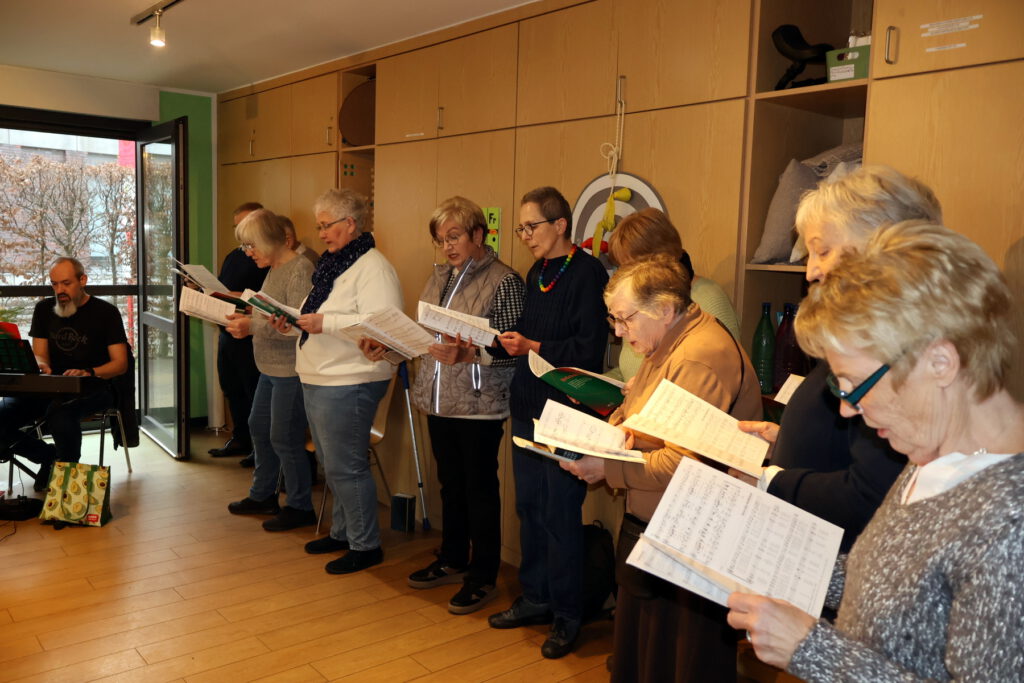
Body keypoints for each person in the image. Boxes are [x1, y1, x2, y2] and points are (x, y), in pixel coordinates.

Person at [728, 220, 1024, 681]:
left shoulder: (1009, 523)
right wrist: (786, 566)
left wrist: (810, 650)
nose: (846, 411)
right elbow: (893, 581)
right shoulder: (931, 453)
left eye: (855, 384)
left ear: (940, 362)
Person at [562, 256, 762, 682]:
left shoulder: (696, 356)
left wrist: (608, 469)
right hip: (660, 524)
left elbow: (681, 464)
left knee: (679, 662)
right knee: (644, 655)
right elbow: (637, 413)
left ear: (666, 309)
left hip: (690, 536)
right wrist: (614, 429)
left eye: (625, 319)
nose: (618, 332)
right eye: (614, 319)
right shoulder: (667, 339)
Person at [737, 166, 943, 551]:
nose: (811, 271)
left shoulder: (895, 348)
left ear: (879, 243)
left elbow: (874, 491)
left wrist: (774, 480)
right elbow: (853, 450)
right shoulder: (865, 336)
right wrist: (785, 443)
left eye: (823, 251)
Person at [360, 196, 524, 614]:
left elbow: (512, 350)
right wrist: (389, 348)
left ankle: (483, 574)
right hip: (437, 400)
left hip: (478, 404)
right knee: (450, 486)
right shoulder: (439, 278)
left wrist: (470, 356)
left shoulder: (505, 281)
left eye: (454, 237)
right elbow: (422, 338)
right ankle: (453, 557)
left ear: (477, 234)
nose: (448, 247)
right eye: (441, 240)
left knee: (480, 490)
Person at [488, 186, 609, 659]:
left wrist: (533, 347)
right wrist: (487, 342)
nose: (525, 236)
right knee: (529, 510)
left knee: (560, 516)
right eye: (520, 228)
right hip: (527, 407)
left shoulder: (588, 274)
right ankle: (535, 597)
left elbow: (588, 352)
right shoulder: (537, 272)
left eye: (531, 226)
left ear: (561, 225)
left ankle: (567, 615)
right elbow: (525, 340)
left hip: (567, 414)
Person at [272, 188, 401, 574]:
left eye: (327, 226)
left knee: (345, 465)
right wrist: (287, 323)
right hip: (321, 376)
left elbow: (383, 324)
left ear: (350, 224)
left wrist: (324, 323)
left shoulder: (373, 266)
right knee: (330, 463)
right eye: (319, 226)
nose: (322, 233)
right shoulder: (334, 265)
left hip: (351, 379)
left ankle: (366, 545)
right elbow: (319, 314)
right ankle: (343, 532)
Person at [0, 257, 128, 490]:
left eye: (66, 283)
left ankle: (65, 485)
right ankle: (48, 457)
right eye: (54, 284)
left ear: (82, 280)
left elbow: (120, 364)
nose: (60, 290)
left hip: (96, 385)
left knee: (59, 413)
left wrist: (89, 371)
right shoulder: (44, 310)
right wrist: (41, 365)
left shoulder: (106, 312)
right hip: (51, 386)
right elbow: (40, 355)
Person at [224, 209, 316, 531]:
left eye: (251, 246)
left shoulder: (300, 270)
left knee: (285, 438)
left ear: (268, 241)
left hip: (290, 370)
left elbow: (296, 327)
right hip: (269, 366)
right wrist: (248, 320)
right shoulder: (274, 268)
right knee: (258, 427)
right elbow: (271, 314)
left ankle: (300, 505)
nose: (248, 253)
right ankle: (263, 494)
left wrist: (251, 326)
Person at [607, 208, 741, 381]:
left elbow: (725, 377)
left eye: (631, 267)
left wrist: (646, 391)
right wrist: (597, 386)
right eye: (622, 267)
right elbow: (631, 370)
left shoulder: (709, 299)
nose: (625, 275)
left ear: (661, 258)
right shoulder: (638, 303)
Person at [209, 201, 269, 463]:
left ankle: (259, 448)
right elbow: (223, 285)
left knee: (252, 391)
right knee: (231, 387)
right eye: (237, 228)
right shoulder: (235, 255)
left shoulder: (264, 258)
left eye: (244, 227)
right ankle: (241, 438)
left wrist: (236, 297)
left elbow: (265, 298)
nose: (240, 234)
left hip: (251, 335)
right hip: (228, 331)